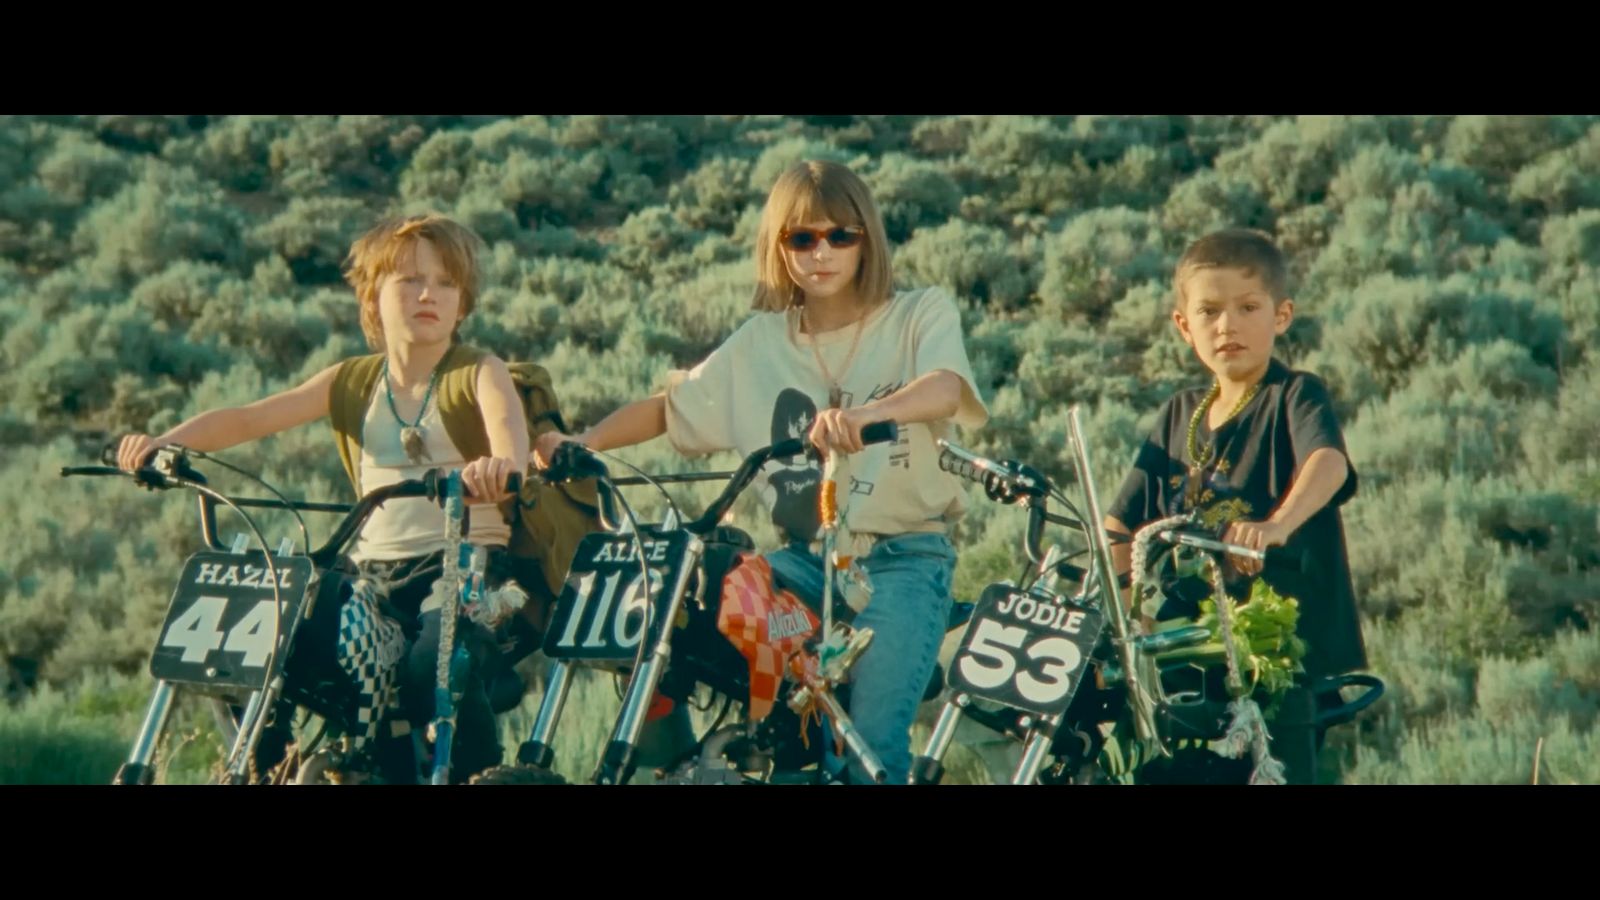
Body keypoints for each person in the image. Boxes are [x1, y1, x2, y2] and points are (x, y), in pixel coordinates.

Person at [534, 160, 989, 785]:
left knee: (868, 749)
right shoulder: (760, 342)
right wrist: (581, 442)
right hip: (804, 562)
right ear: (779, 247)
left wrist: (866, 415)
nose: (821, 252)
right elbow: (671, 408)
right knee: (683, 616)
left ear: (868, 238)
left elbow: (945, 386)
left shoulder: (916, 314)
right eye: (801, 238)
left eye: (840, 235)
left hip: (904, 559)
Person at [117, 213, 530, 783]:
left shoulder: (480, 372)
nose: (428, 294)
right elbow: (250, 417)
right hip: (371, 572)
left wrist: (497, 468)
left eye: (446, 283)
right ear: (372, 296)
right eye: (408, 280)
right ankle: (274, 768)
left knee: (429, 667)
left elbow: (511, 443)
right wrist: (162, 446)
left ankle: (479, 773)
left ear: (463, 304)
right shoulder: (354, 381)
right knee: (252, 644)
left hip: (464, 565)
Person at [1103, 227, 1368, 785]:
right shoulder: (1178, 415)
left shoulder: (1293, 395)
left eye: (1248, 308)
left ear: (1281, 315)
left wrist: (1276, 525)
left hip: (1276, 655)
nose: (1228, 326)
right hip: (1184, 654)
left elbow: (1329, 463)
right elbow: (1119, 523)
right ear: (1184, 326)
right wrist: (1129, 611)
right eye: (1209, 311)